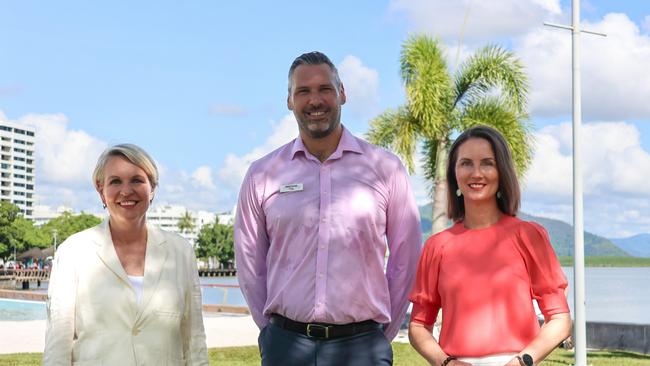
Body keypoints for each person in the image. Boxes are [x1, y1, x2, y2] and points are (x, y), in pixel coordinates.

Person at [234, 51, 422, 366]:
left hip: (362, 346)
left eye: (325, 89)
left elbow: (406, 259)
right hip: (286, 345)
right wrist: (271, 333)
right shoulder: (262, 174)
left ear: (342, 94)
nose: (315, 100)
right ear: (290, 101)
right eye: (303, 91)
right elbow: (251, 263)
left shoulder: (385, 169)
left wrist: (379, 333)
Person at [408, 125, 572, 366]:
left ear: (501, 171)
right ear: (454, 174)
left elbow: (560, 319)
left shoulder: (528, 236)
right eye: (466, 163)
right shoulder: (436, 246)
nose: (476, 173)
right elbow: (419, 326)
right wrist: (446, 363)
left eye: (487, 163)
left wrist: (523, 361)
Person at [44, 143, 209, 366]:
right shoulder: (73, 252)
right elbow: (58, 345)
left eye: (136, 180)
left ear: (153, 188)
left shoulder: (181, 252)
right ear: (101, 190)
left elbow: (194, 339)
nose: (126, 191)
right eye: (115, 181)